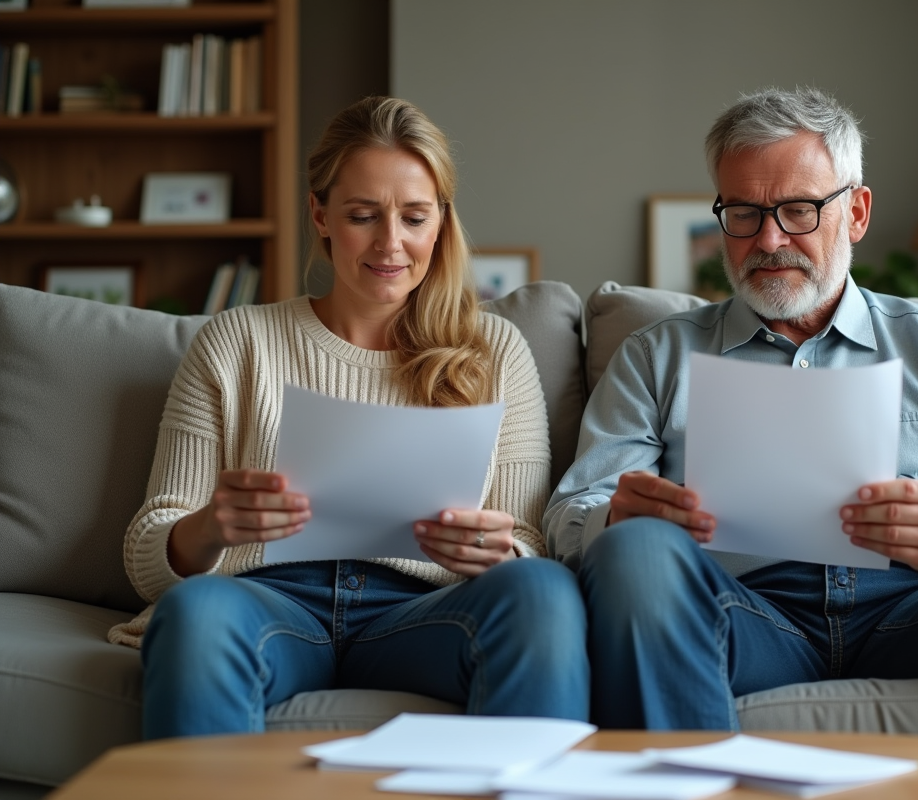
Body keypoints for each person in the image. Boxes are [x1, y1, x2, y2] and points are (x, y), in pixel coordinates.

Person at [543, 87, 918, 800]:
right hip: (746, 613)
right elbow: (569, 513)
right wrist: (621, 517)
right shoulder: (657, 357)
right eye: (743, 213)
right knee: (636, 550)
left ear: (856, 212)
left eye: (798, 209)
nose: (768, 240)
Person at [110, 95, 589, 737]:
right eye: (363, 215)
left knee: (543, 593)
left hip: (426, 612)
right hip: (271, 601)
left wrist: (496, 552)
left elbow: (530, 544)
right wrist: (210, 526)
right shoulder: (236, 343)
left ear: (441, 224)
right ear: (321, 215)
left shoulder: (494, 353)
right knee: (195, 614)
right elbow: (149, 553)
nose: (391, 243)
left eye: (415, 218)